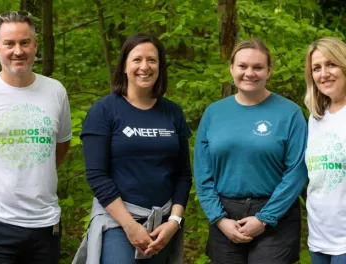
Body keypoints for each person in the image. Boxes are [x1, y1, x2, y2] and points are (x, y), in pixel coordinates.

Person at [73, 32, 192, 264]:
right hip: (117, 223)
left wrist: (174, 222)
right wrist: (130, 226)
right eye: (137, 59)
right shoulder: (104, 111)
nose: (144, 67)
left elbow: (183, 174)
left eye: (152, 60)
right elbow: (97, 175)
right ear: (124, 66)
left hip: (163, 225)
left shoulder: (173, 112)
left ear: (160, 67)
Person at [194, 38, 308, 264]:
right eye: (242, 66)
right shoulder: (214, 113)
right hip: (224, 215)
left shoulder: (290, 113)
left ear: (269, 70)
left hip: (276, 215)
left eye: (258, 67)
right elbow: (202, 172)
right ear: (231, 68)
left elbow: (296, 171)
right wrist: (218, 218)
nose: (250, 73)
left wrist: (265, 218)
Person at [0, 11, 71, 264]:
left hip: (46, 224)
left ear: (35, 45)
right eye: (9, 43)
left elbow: (60, 148)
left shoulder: (55, 91)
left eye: (25, 42)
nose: (18, 51)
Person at [304, 37, 346, 264]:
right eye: (316, 68)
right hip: (318, 236)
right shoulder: (316, 117)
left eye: (331, 64)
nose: (324, 74)